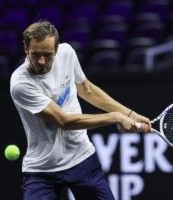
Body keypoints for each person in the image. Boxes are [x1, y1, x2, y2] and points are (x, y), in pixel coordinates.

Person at [10, 20, 151, 200]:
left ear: (57, 50)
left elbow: (87, 90)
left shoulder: (67, 53)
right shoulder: (21, 84)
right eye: (35, 54)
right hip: (42, 170)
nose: (42, 61)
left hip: (81, 159)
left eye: (48, 55)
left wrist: (130, 115)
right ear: (25, 49)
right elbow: (64, 121)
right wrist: (115, 117)